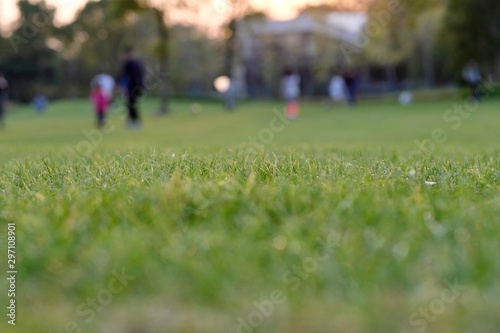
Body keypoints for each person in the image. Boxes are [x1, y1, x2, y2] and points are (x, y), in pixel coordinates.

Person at [119, 46, 144, 128]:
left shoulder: (129, 63)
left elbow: (126, 76)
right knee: (132, 104)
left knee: (131, 104)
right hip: (137, 87)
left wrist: (123, 87)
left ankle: (134, 121)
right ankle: (134, 120)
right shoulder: (137, 63)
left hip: (132, 87)